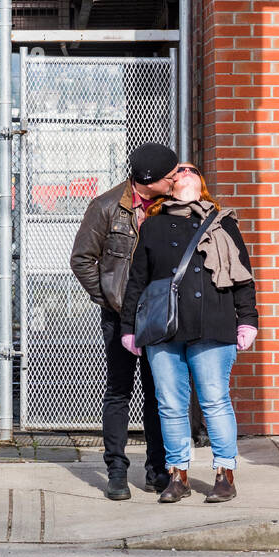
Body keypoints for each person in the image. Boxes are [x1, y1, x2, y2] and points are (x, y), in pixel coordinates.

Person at [119, 163, 258, 503]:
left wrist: (248, 320)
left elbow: (243, 276)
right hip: (165, 328)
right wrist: (128, 328)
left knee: (214, 400)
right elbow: (137, 280)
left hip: (214, 324)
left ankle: (225, 474)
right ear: (169, 184)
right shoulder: (152, 225)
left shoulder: (223, 223)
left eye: (190, 169)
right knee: (170, 404)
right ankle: (177, 476)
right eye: (177, 170)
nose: (184, 172)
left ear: (201, 181)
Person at [69, 142, 178, 501]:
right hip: (120, 317)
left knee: (156, 391)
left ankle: (156, 469)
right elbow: (82, 259)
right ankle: (116, 469)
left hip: (159, 317)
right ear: (149, 179)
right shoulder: (105, 207)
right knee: (118, 391)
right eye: (169, 175)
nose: (175, 179)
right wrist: (109, 300)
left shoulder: (170, 207)